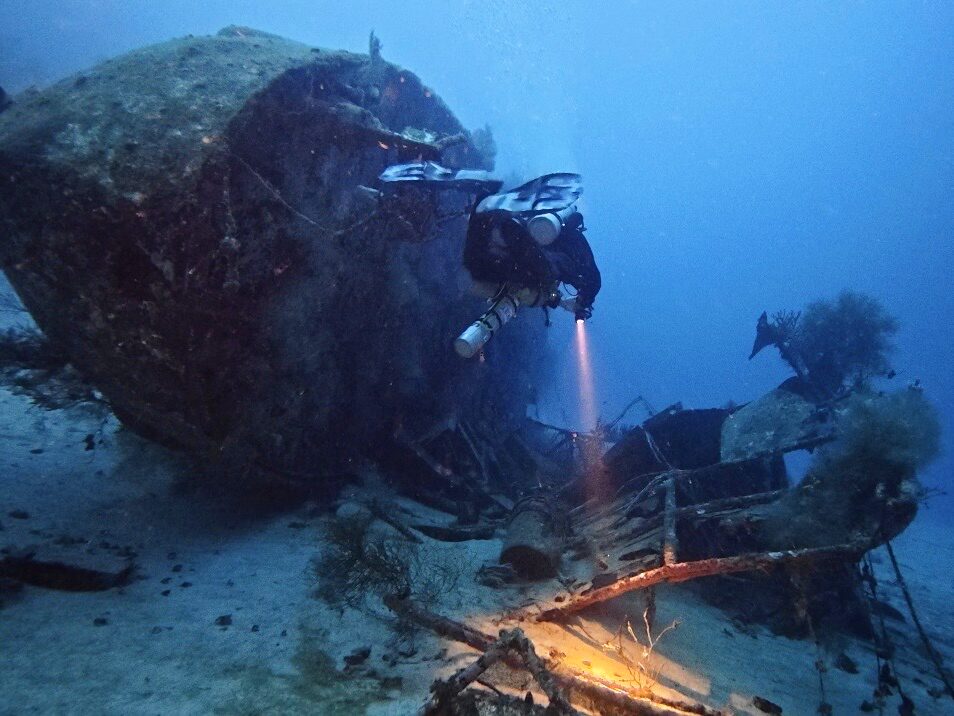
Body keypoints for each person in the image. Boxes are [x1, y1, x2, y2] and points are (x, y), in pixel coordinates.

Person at [463, 204, 600, 321]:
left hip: (521, 249)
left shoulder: (538, 220)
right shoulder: (575, 242)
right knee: (534, 279)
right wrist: (583, 302)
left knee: (504, 269)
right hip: (534, 263)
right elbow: (593, 280)